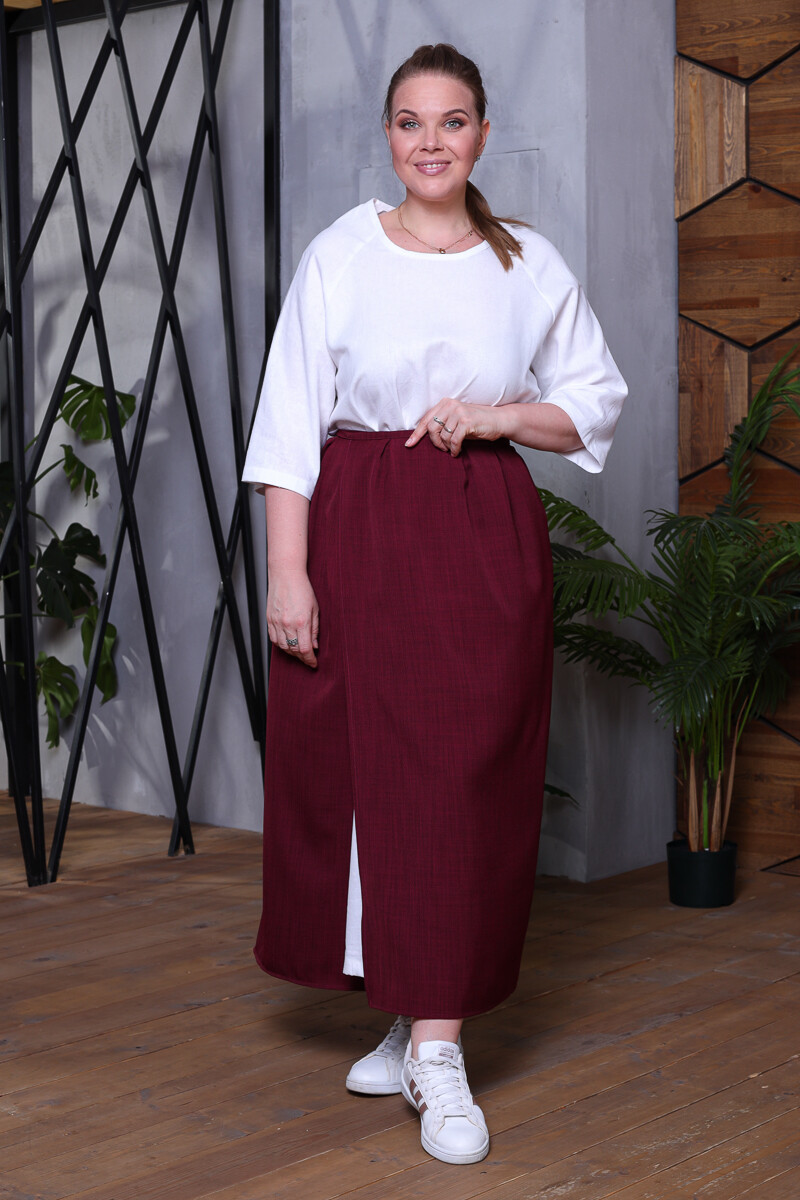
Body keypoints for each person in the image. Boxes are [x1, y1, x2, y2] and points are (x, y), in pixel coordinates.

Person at [242, 43, 627, 1167]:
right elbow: (288, 419)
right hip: (356, 521)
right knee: (364, 775)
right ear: (387, 135)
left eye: (451, 122)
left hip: (476, 528)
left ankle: (439, 1050)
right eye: (410, 122)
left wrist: (496, 415)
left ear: (482, 136)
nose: (430, 142)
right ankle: (412, 1012)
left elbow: (591, 402)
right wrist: (287, 570)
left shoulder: (526, 263)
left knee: (463, 777)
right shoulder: (341, 253)